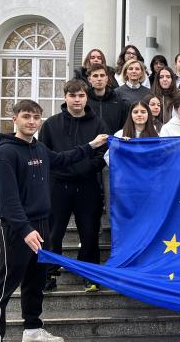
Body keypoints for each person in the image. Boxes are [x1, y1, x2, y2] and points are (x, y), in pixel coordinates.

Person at [0, 100, 107, 342]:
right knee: (4, 286)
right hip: (19, 230)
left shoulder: (39, 148)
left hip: (42, 225)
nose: (31, 122)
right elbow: (8, 201)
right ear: (15, 119)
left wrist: (91, 145)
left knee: (35, 282)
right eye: (26, 116)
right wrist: (25, 230)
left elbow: (62, 158)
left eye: (36, 117)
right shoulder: (5, 155)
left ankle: (32, 330)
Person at [39, 80, 109, 293]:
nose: (77, 100)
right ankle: (49, 274)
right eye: (72, 96)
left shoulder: (98, 124)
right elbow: (45, 154)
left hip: (87, 185)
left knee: (89, 232)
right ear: (65, 97)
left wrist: (86, 168)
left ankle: (89, 275)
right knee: (53, 233)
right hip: (58, 185)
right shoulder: (51, 124)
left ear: (86, 97)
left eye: (81, 96)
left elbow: (103, 155)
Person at [104, 100, 159, 165]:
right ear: (130, 115)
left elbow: (160, 157)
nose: (139, 114)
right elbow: (108, 157)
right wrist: (119, 146)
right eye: (135, 112)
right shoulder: (120, 134)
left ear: (148, 114)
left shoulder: (157, 134)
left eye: (143, 112)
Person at [86, 63, 127, 135]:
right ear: (89, 79)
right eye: (95, 76)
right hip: (90, 141)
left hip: (112, 140)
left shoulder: (117, 100)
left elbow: (124, 125)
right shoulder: (84, 101)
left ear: (107, 78)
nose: (99, 79)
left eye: (102, 75)